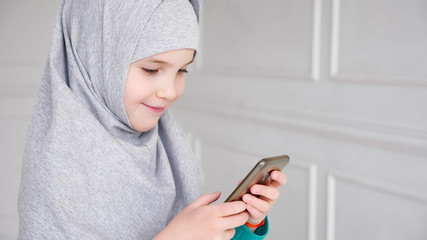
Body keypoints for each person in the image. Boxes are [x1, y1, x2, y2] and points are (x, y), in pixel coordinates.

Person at [17, 0, 287, 239]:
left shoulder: (168, 149)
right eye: (151, 69)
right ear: (97, 58)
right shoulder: (58, 173)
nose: (169, 92)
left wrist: (247, 225)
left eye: (182, 70)